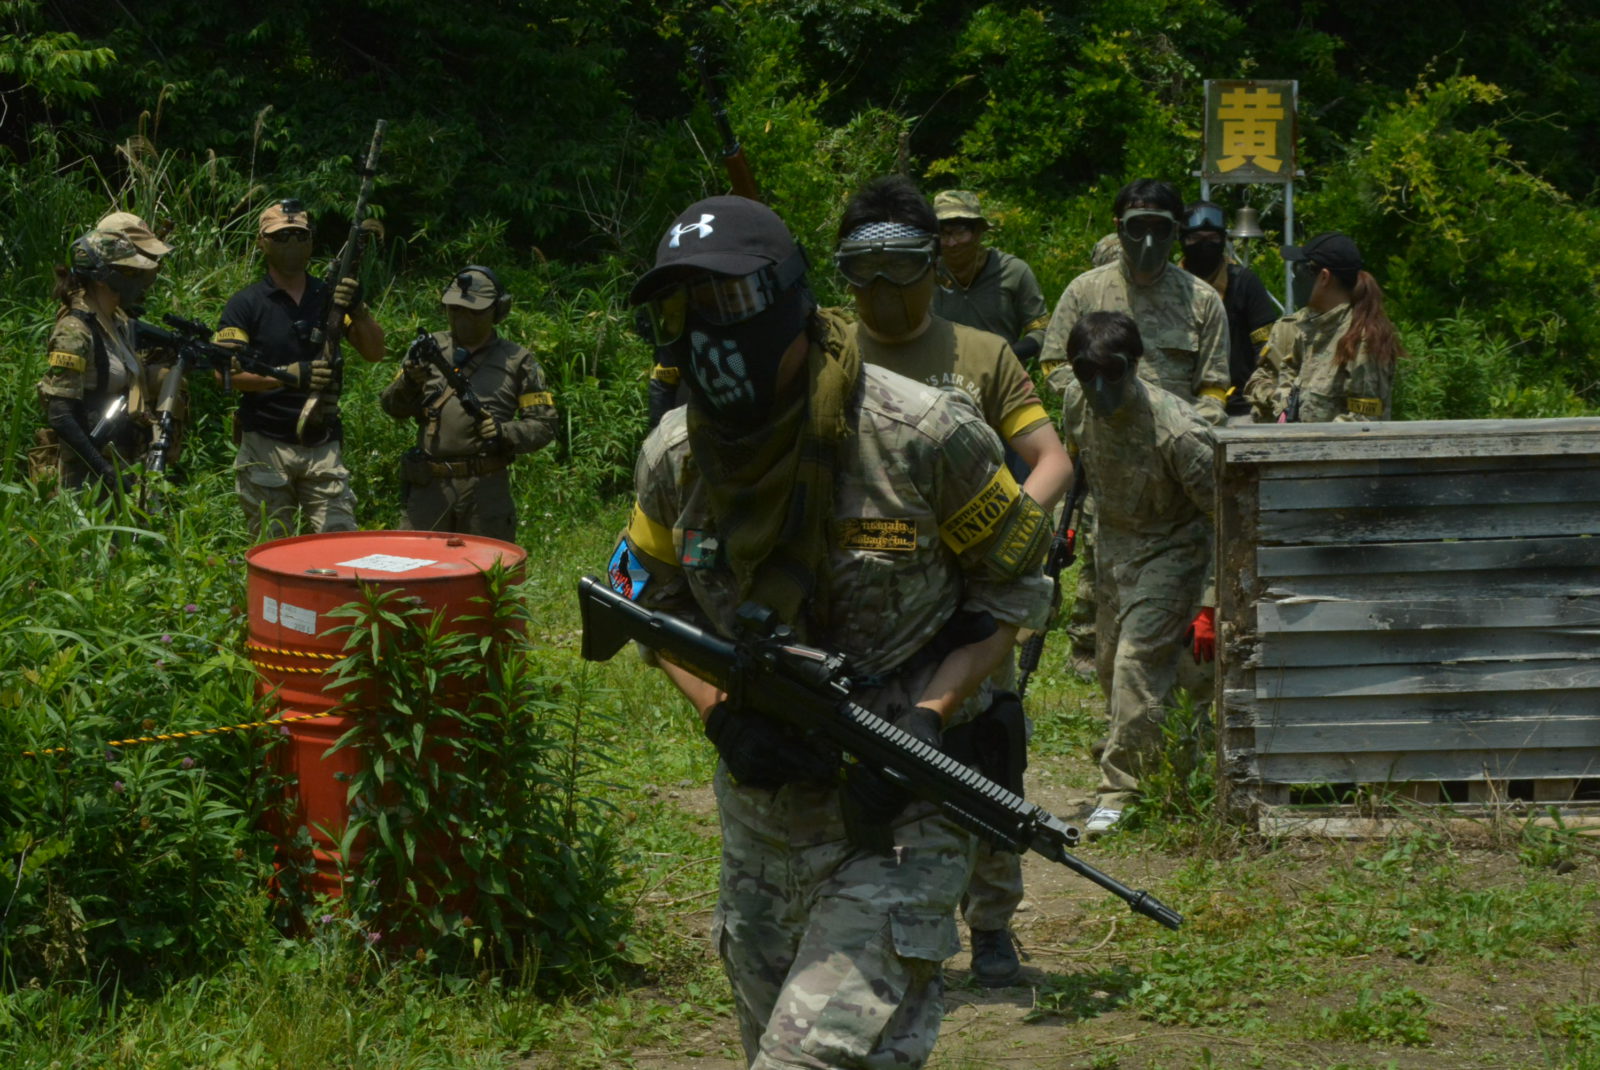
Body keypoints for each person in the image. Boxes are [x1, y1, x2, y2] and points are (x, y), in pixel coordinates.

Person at [613, 195, 1050, 1068]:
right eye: (684, 308)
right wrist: (719, 715)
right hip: (765, 817)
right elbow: (646, 605)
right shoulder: (678, 456)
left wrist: (928, 716)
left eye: (728, 301)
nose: (708, 330)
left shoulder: (920, 435)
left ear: (789, 304)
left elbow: (1012, 594)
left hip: (902, 808)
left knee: (804, 1059)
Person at [835, 175, 1070, 988]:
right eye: (863, 271)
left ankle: (992, 923)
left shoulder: (980, 354)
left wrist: (1007, 538)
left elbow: (1049, 459)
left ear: (933, 263)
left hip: (966, 599)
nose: (884, 290)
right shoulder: (827, 353)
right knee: (858, 764)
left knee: (984, 754)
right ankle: (868, 926)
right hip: (860, 604)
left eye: (902, 266)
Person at [1041, 180, 1229, 690]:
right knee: (1107, 603)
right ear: (1117, 228)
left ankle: (1175, 707)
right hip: (1108, 469)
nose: (1148, 242)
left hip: (1176, 473)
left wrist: (1180, 427)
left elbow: (1214, 386)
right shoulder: (1086, 291)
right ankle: (1110, 690)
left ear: (1177, 232)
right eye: (1136, 228)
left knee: (1173, 608)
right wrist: (1103, 401)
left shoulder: (1202, 300)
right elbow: (1055, 364)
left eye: (1160, 229)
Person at [1060, 311, 1216, 837]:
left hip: (1175, 550)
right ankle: (1171, 763)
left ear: (1136, 365)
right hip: (1114, 548)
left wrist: (1211, 601)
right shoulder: (1076, 402)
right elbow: (1080, 468)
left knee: (1135, 665)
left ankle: (1121, 791)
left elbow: (1228, 517)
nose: (1099, 388)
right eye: (1087, 373)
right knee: (1111, 670)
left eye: (1113, 372)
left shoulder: (1180, 432)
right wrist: (1068, 529)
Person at [217, 198, 385, 539]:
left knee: (338, 540)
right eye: (281, 236)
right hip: (266, 442)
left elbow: (374, 352)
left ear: (311, 242)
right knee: (272, 545)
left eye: (299, 235)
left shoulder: (328, 297)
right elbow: (223, 375)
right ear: (262, 242)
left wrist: (358, 309)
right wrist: (285, 376)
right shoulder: (245, 304)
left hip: (322, 441)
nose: (291, 243)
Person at [380, 266, 557, 540]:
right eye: (455, 309)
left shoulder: (518, 360)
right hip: (429, 490)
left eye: (474, 312)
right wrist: (409, 383)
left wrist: (504, 432)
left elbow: (544, 424)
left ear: (497, 311)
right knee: (415, 562)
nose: (463, 318)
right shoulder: (427, 349)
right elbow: (392, 407)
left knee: (487, 564)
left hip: (485, 492)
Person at [35, 229, 162, 495]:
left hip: (122, 457)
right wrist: (103, 469)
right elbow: (60, 414)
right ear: (103, 278)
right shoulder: (75, 330)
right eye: (130, 272)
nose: (138, 280)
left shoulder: (116, 322)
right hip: (88, 473)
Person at [1245, 232, 1403, 423]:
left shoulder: (1361, 338)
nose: (1294, 278)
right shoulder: (1309, 330)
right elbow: (1288, 381)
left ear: (1324, 277)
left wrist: (1306, 437)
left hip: (1330, 443)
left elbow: (1363, 422)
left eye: (1298, 269)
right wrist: (1284, 407)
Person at [1179, 201, 1278, 418]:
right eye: (1196, 239)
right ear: (1182, 240)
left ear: (1223, 240)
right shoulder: (1169, 285)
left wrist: (1262, 393)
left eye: (1212, 238)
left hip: (1237, 408)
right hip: (1179, 406)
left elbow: (1266, 348)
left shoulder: (1244, 282)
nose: (1204, 245)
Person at [930, 190, 1051, 366]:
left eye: (960, 232)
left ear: (978, 232)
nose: (951, 243)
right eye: (944, 233)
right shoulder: (926, 274)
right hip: (940, 375)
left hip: (1002, 374)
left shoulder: (1012, 271)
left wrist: (1004, 357)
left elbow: (1042, 330)